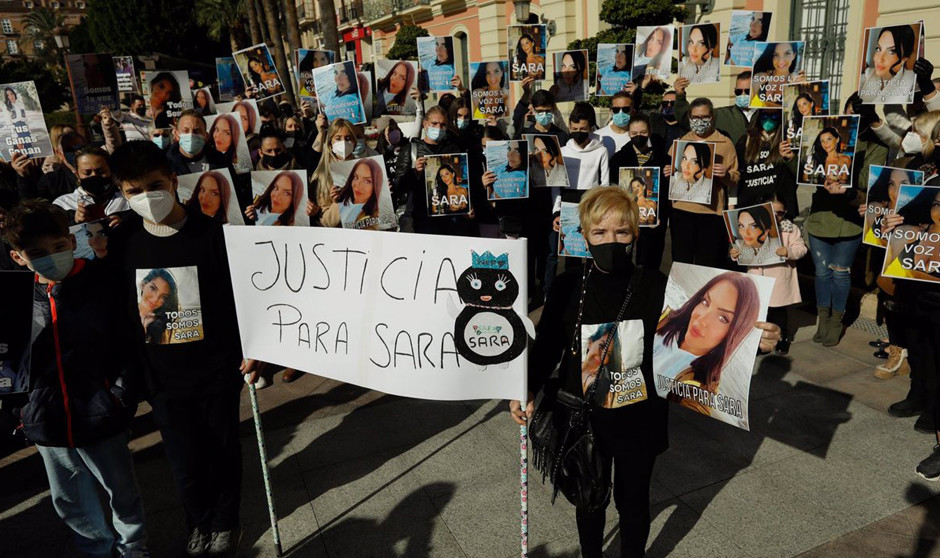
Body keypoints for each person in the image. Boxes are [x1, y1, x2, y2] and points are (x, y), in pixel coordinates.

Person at [510, 185, 780, 558]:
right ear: (584, 235)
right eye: (600, 232)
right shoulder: (567, 285)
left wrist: (757, 342)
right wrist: (525, 387)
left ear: (635, 234)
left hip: (640, 418)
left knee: (632, 503)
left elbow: (701, 335)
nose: (611, 240)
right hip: (584, 417)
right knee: (589, 501)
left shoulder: (660, 286)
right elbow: (549, 345)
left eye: (621, 232)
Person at [108, 140, 255, 556]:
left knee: (224, 451)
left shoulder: (212, 234)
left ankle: (227, 522)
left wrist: (250, 349)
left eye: (154, 185)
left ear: (173, 181)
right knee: (184, 461)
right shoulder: (123, 245)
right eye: (134, 191)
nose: (146, 197)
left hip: (215, 371)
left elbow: (238, 298)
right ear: (122, 193)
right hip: (162, 379)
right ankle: (199, 522)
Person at [4, 200, 150, 558]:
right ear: (18, 257)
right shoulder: (13, 299)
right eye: (37, 253)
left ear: (71, 241)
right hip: (45, 421)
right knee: (68, 495)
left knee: (121, 489)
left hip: (101, 413)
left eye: (57, 247)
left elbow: (128, 345)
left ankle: (133, 547)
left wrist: (118, 397)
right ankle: (95, 548)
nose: (51, 257)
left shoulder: (102, 283)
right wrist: (20, 410)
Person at [654, 271, 761, 414]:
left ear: (734, 333)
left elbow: (697, 405)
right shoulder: (663, 319)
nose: (702, 320)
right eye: (705, 302)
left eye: (723, 318)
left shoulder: (699, 387)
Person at [665, 98, 740, 268]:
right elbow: (673, 170)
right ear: (689, 118)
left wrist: (725, 175)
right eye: (695, 117)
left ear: (712, 117)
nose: (699, 122)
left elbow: (735, 178)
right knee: (681, 263)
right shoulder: (682, 141)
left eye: (704, 117)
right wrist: (668, 172)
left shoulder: (725, 143)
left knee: (707, 264)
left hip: (711, 214)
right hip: (681, 211)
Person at [733, 195, 806, 354]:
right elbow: (741, 247)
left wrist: (789, 252)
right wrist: (735, 254)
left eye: (780, 213)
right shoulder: (753, 226)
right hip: (757, 277)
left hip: (779, 278)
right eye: (772, 211)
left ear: (785, 213)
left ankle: (783, 338)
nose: (776, 216)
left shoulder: (790, 229)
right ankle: (759, 341)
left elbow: (802, 248)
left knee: (779, 312)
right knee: (758, 312)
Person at [609, 113, 671, 269]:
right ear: (629, 133)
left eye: (643, 133)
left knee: (651, 262)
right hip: (626, 219)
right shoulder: (618, 159)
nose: (639, 136)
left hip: (654, 222)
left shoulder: (663, 159)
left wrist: (671, 174)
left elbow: (667, 191)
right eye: (634, 133)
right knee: (624, 261)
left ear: (649, 132)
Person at [394, 106, 464, 235]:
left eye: (443, 125)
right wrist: (415, 172)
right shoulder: (411, 149)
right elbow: (398, 185)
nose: (438, 128)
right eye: (434, 123)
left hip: (447, 219)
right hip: (418, 218)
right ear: (425, 124)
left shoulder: (453, 149)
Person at [736, 108, 799, 217]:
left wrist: (791, 159)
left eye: (774, 116)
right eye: (764, 116)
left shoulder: (789, 142)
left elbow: (800, 173)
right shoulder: (745, 141)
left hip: (779, 211)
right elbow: (736, 174)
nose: (768, 120)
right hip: (750, 208)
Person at [52, 146, 130, 224]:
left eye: (101, 171)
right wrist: (75, 222)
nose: (94, 175)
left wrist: (126, 223)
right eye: (87, 173)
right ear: (77, 175)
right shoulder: (63, 204)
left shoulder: (129, 197)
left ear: (111, 171)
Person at [320, 156, 385, 229]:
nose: (358, 184)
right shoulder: (344, 200)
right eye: (356, 177)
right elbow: (327, 223)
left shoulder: (378, 214)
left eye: (367, 181)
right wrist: (337, 203)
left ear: (376, 185)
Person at [859, 25, 917, 104]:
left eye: (891, 52)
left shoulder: (912, 82)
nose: (880, 59)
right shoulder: (867, 74)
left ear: (905, 58)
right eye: (878, 49)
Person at [750, 43, 803, 108]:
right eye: (776, 55)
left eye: (787, 54)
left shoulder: (796, 82)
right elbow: (747, 104)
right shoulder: (760, 77)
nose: (781, 61)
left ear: (794, 55)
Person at [596, 91, 635, 157]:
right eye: (616, 109)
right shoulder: (598, 136)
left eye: (625, 109)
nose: (621, 113)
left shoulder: (638, 137)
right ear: (611, 111)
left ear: (633, 111)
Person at [3, 86, 32, 152]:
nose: (10, 96)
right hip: (16, 129)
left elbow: (25, 118)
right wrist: (16, 137)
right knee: (20, 153)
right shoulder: (6, 107)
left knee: (29, 150)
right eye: (8, 95)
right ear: (6, 97)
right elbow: (9, 123)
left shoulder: (21, 104)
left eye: (11, 94)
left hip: (25, 128)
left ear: (14, 94)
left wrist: (28, 131)